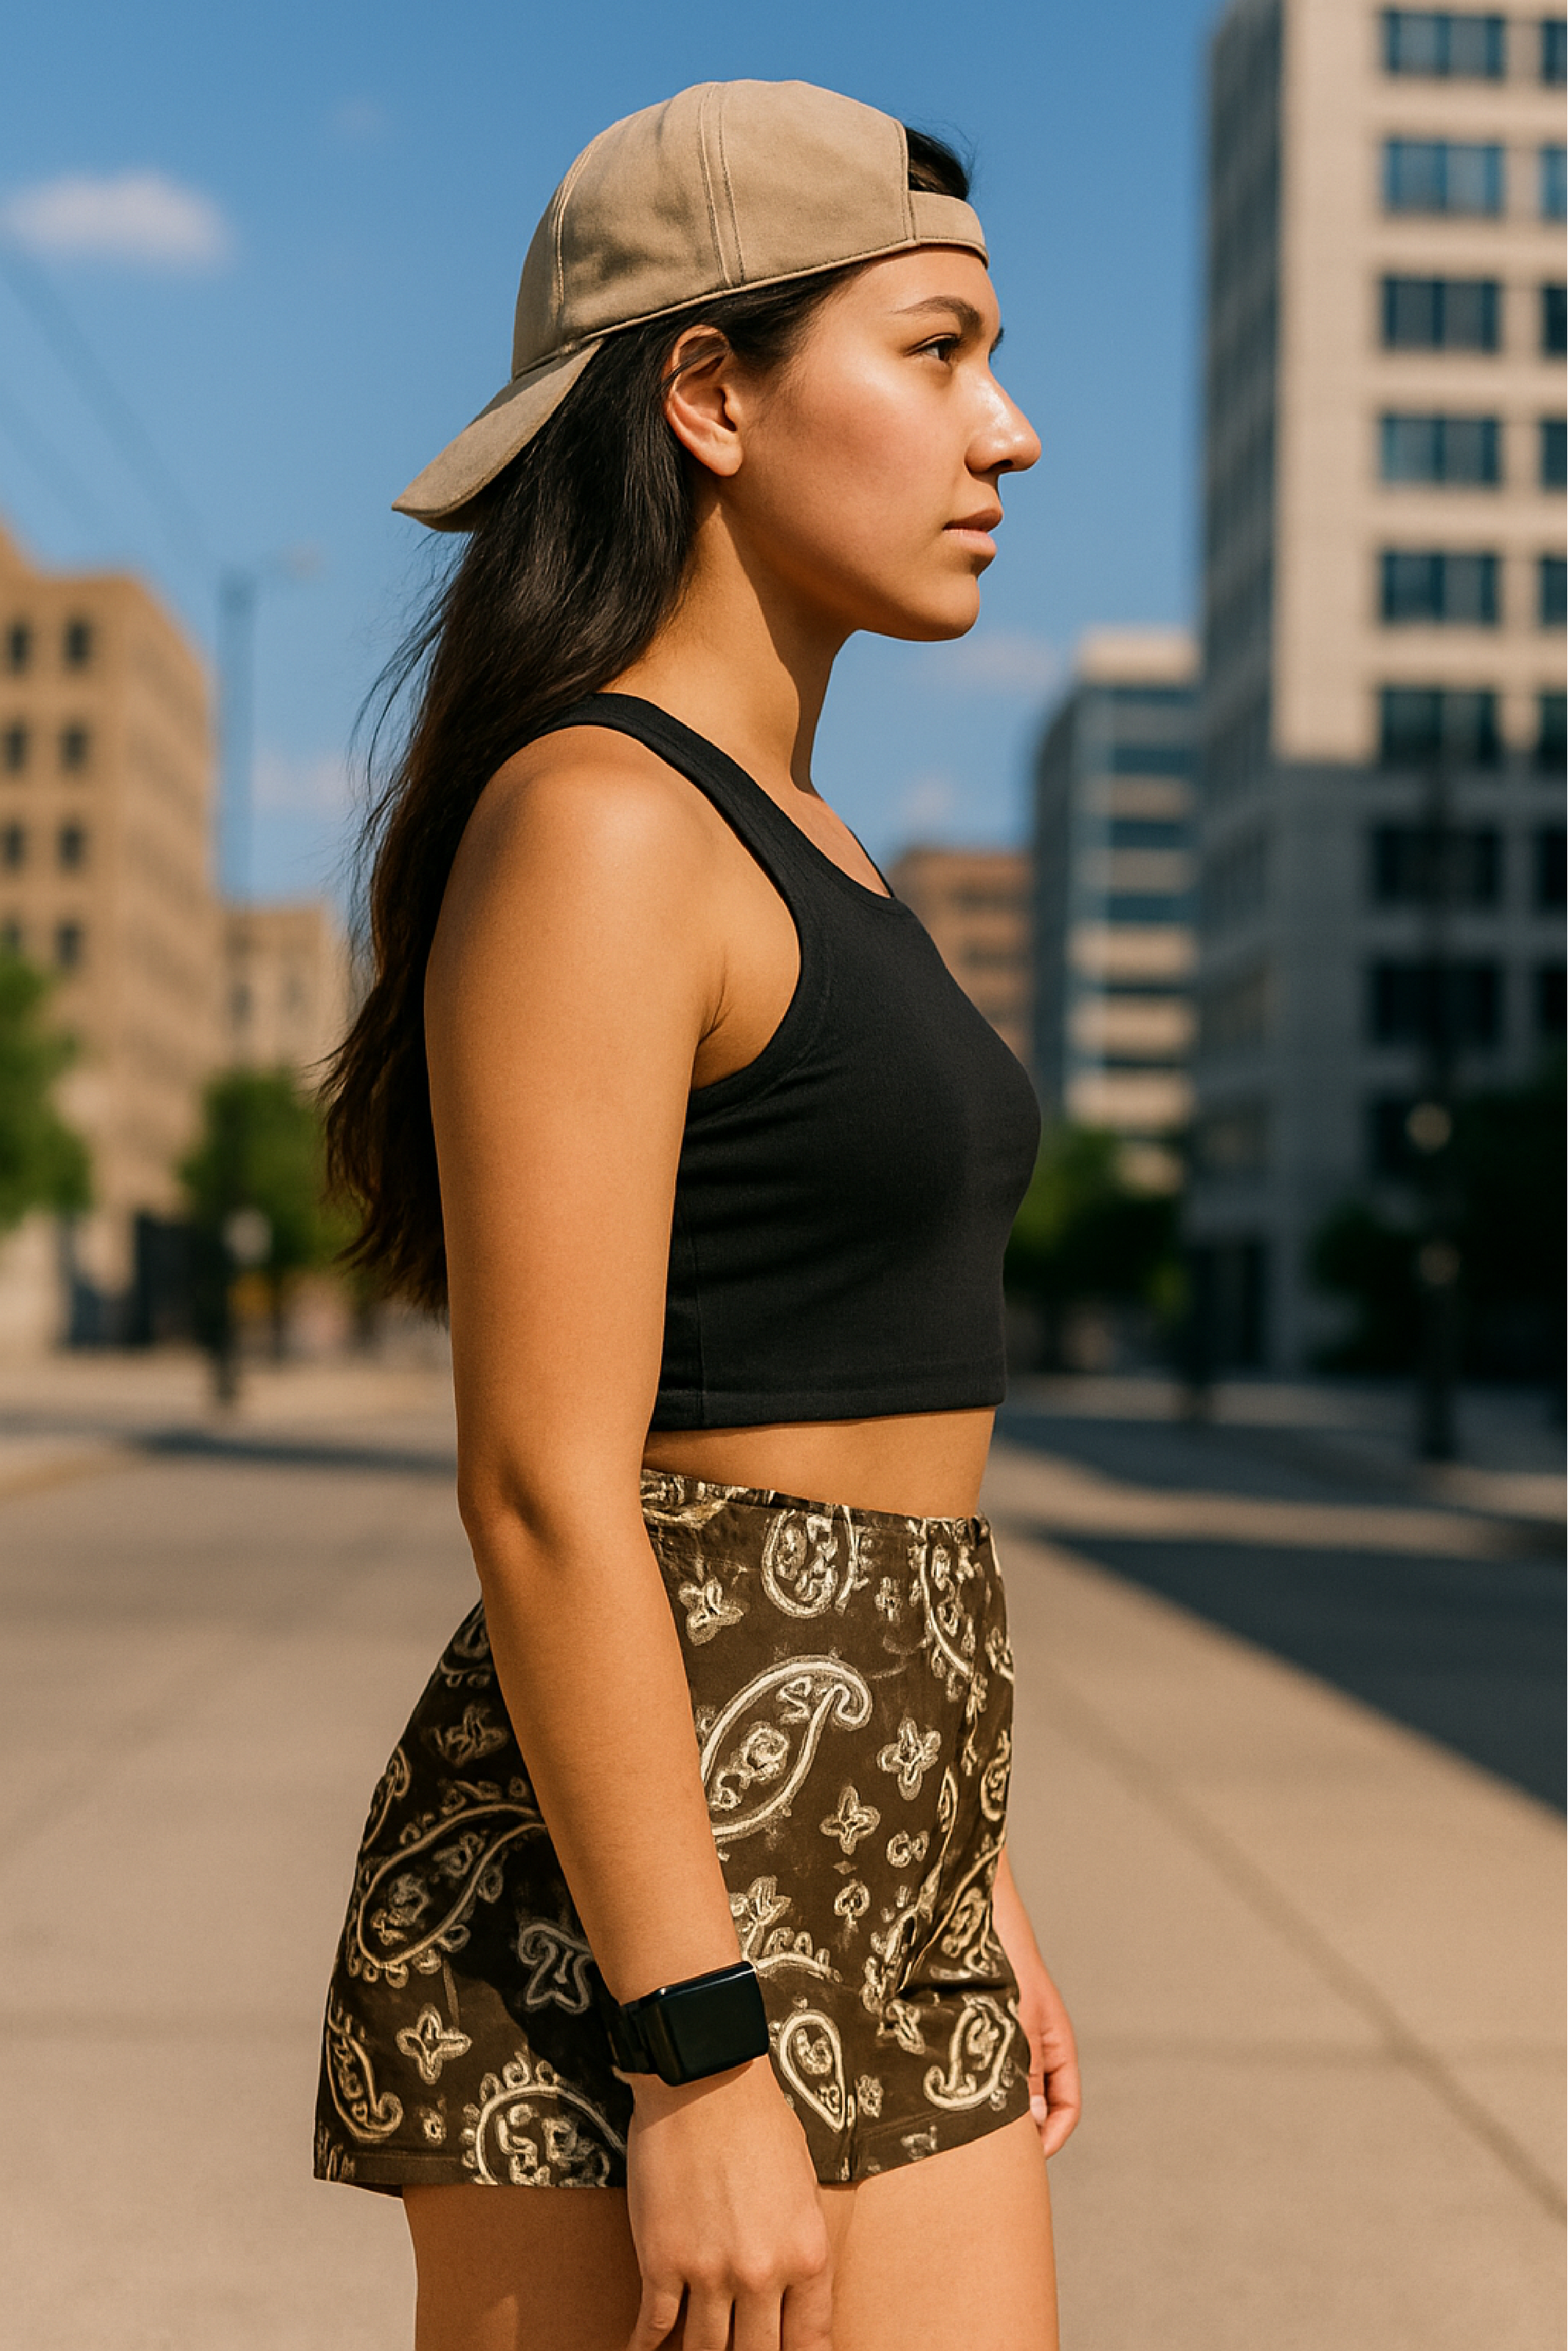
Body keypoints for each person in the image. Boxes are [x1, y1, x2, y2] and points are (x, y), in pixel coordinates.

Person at [316, 78, 1081, 2351]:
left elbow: (852, 1419)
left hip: (897, 1838)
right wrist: (697, 2043)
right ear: (712, 395)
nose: (1009, 431)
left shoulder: (813, 842)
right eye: (938, 350)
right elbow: (552, 1482)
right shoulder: (602, 820)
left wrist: (971, 1853)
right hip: (631, 1925)